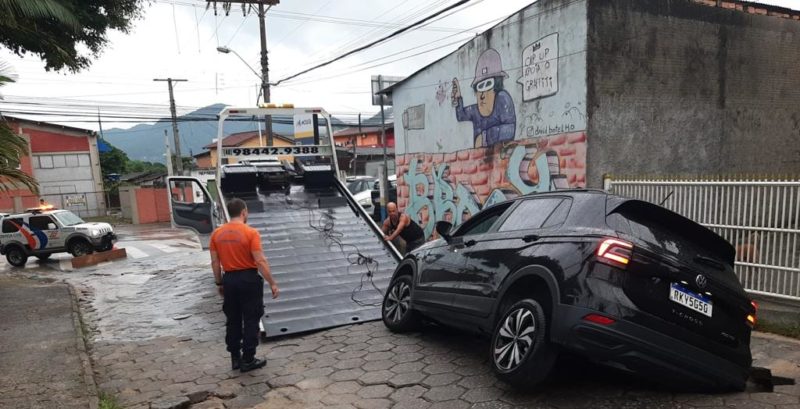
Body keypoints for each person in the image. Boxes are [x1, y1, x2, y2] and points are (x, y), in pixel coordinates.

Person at [210, 198, 279, 373]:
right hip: (248, 280)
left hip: (230, 280)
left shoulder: (216, 234)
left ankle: (235, 358)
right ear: (244, 212)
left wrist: (219, 283)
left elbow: (215, 262)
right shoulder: (251, 233)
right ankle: (248, 359)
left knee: (232, 319)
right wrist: (272, 283)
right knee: (251, 318)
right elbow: (260, 261)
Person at [451, 48, 516, 148]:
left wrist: (485, 138)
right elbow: (461, 115)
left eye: (488, 85)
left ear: (496, 86)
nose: (482, 95)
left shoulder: (502, 99)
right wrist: (458, 97)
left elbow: (510, 129)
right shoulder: (475, 110)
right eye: (480, 87)